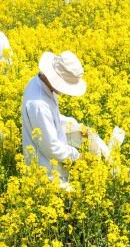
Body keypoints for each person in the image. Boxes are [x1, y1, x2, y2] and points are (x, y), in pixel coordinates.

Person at [21, 51, 87, 184]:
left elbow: (52, 117)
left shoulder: (39, 83)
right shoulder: (39, 103)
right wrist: (77, 156)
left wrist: (76, 127)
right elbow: (50, 146)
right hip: (46, 173)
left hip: (52, 167)